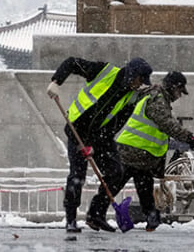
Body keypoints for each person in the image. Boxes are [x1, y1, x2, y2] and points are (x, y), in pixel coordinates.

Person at [87, 71, 194, 232]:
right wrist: (190, 139)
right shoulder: (157, 98)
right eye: (179, 91)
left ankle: (148, 217)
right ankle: (97, 214)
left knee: (141, 185)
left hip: (141, 153)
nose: (179, 96)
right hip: (132, 150)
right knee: (118, 183)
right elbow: (166, 124)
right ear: (172, 87)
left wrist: (188, 140)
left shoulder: (158, 98)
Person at [46, 56, 152, 233]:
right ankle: (71, 219)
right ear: (132, 74)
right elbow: (72, 62)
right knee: (77, 176)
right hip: (77, 130)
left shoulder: (132, 96)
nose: (140, 85)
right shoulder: (105, 71)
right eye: (140, 80)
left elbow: (118, 123)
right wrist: (57, 81)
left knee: (116, 171)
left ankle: (96, 214)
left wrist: (95, 144)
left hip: (101, 136)